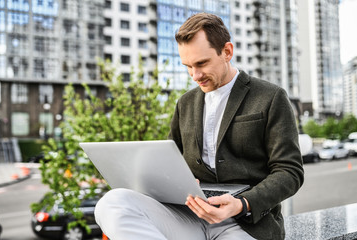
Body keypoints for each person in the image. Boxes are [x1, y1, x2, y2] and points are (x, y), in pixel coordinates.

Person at [94, 13, 304, 240]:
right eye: (188, 66)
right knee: (112, 203)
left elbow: (289, 171)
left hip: (242, 224)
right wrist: (175, 181)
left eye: (202, 63)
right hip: (188, 216)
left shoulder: (270, 97)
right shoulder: (185, 103)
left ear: (227, 52)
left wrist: (241, 204)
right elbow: (168, 162)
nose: (195, 75)